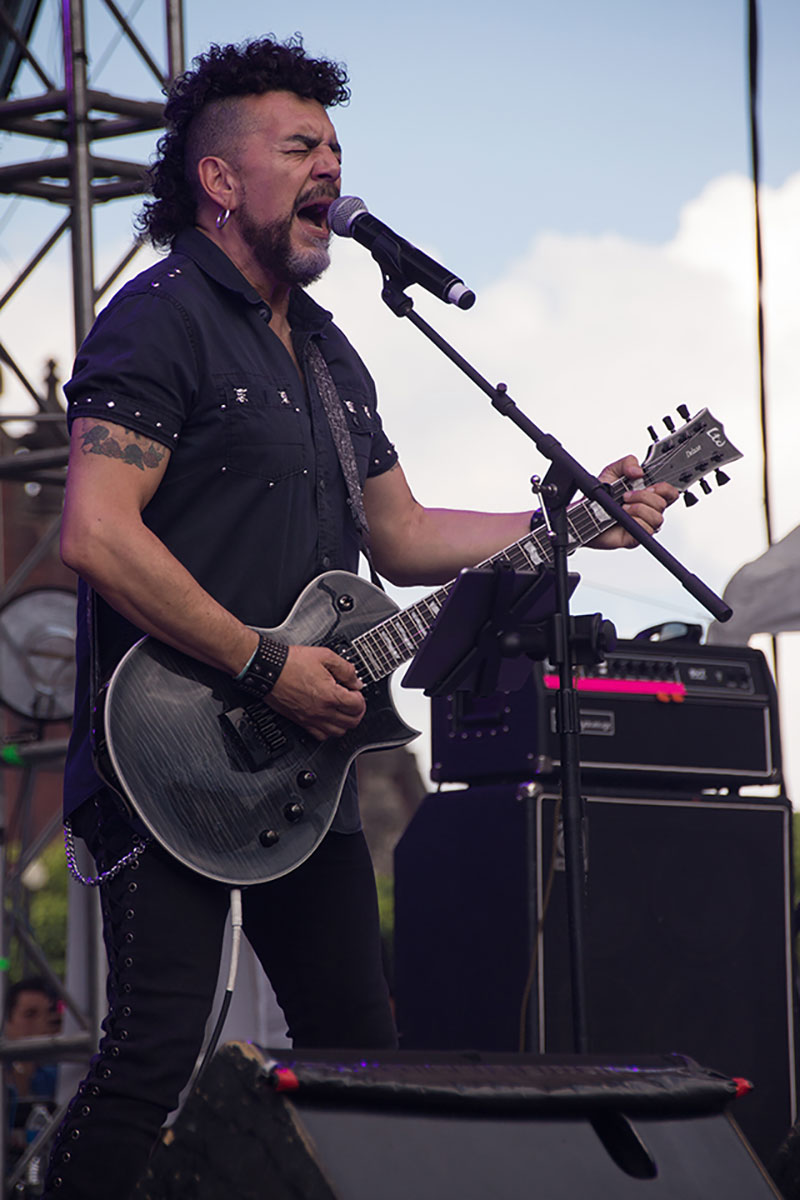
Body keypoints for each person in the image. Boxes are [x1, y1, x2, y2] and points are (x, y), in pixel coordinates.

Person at [44, 35, 676, 1199]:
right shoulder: (159, 317)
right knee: (152, 1056)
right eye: (299, 147)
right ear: (218, 178)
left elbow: (401, 532)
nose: (330, 166)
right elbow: (97, 531)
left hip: (304, 763)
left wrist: (573, 518)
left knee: (357, 1055)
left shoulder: (331, 351)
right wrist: (261, 666)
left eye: (334, 147)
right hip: (166, 751)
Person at [4, 976, 61, 1164]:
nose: (41, 1023)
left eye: (46, 1014)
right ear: (6, 1021)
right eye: (30, 1014)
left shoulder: (55, 1078)